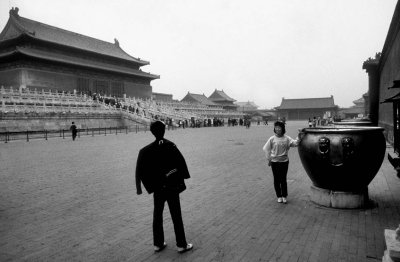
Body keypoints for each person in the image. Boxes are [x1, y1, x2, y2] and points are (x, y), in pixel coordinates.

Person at [136, 121, 193, 254]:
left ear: (152, 132)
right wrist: (181, 179)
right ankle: (181, 245)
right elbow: (181, 164)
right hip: (172, 186)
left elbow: (142, 171)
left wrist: (151, 187)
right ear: (164, 131)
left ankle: (158, 243)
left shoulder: (146, 151)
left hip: (158, 188)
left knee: (157, 215)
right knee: (176, 215)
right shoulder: (171, 146)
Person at [262, 121, 299, 204]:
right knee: (276, 179)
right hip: (274, 162)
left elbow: (295, 143)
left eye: (279, 127)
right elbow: (266, 149)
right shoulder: (272, 139)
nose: (277, 129)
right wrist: (269, 159)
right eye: (276, 127)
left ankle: (284, 196)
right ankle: (279, 196)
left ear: (283, 128)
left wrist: (300, 136)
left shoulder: (287, 138)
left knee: (283, 179)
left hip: (284, 162)